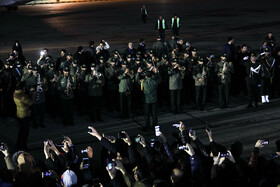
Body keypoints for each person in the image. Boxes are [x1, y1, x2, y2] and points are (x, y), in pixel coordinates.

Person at [13, 81, 33, 150]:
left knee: (21, 130)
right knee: (25, 132)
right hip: (24, 114)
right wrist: (33, 94)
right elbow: (30, 102)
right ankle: (24, 146)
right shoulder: (22, 96)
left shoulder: (15, 93)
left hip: (19, 113)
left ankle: (18, 144)